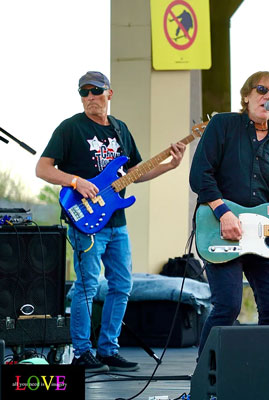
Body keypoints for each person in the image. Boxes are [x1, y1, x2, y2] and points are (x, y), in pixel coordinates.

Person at [36, 71, 186, 372]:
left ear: (109, 94)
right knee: (87, 285)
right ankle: (81, 353)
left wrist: (171, 165)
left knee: (122, 285)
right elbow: (42, 168)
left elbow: (135, 172)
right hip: (85, 220)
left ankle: (108, 349)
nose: (90, 96)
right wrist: (76, 181)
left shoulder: (120, 130)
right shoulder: (70, 128)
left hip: (117, 220)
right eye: (84, 92)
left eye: (96, 91)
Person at [189, 71, 269, 355]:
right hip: (221, 229)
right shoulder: (223, 125)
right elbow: (200, 174)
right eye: (262, 89)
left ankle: (261, 373)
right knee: (227, 307)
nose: (268, 96)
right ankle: (206, 376)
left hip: (263, 239)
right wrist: (223, 212)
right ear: (246, 96)